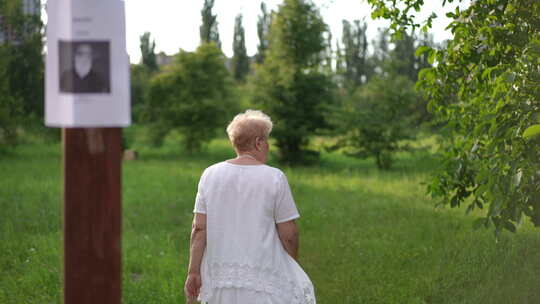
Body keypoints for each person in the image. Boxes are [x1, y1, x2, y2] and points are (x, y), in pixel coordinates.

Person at [184, 110, 316, 304]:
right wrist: (292, 266)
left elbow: (199, 229)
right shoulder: (274, 177)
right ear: (259, 143)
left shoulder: (210, 175)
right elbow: (289, 234)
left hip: (220, 280)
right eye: (267, 141)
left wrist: (194, 271)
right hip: (264, 279)